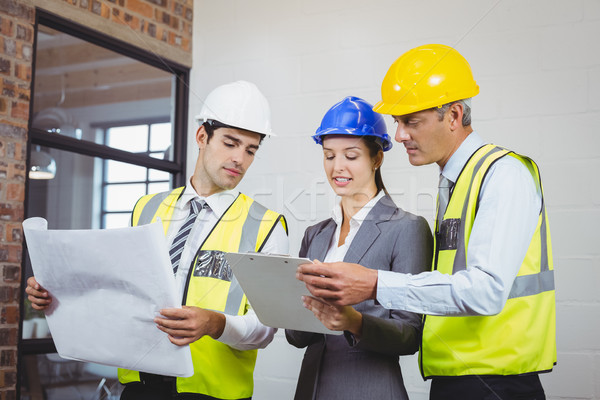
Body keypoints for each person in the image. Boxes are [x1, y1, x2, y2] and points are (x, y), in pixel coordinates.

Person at [296, 44, 556, 400]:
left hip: (497, 380)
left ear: (453, 115)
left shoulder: (503, 174)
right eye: (399, 122)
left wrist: (374, 284)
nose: (400, 135)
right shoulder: (455, 184)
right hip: (455, 377)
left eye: (411, 121)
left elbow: (487, 291)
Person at [26, 80, 289, 400]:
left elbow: (265, 328)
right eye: (230, 143)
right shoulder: (146, 208)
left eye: (251, 150)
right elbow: (114, 287)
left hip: (212, 393)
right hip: (138, 387)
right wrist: (58, 292)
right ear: (202, 136)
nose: (240, 159)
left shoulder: (267, 225)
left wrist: (215, 324)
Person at [286, 96, 432, 400]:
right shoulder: (316, 234)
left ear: (376, 158)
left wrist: (355, 322)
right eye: (329, 155)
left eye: (351, 156)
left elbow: (410, 335)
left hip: (371, 390)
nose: (337, 167)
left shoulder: (406, 228)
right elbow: (296, 336)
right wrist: (278, 303)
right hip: (311, 390)